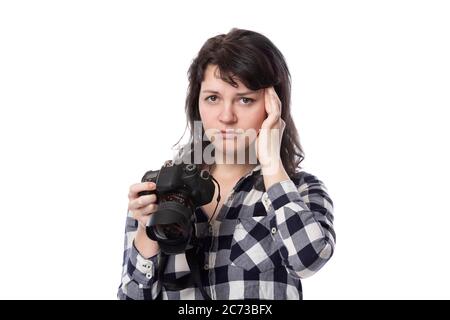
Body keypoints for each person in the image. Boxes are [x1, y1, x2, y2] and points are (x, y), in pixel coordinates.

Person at [118, 28, 336, 300]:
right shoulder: (161, 189)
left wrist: (271, 164)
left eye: (245, 99)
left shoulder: (302, 190)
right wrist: (147, 232)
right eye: (213, 98)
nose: (226, 117)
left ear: (273, 105)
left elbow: (309, 259)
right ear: (196, 103)